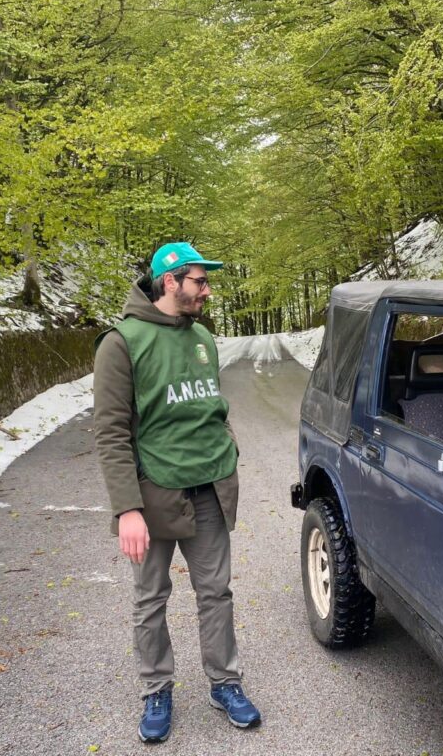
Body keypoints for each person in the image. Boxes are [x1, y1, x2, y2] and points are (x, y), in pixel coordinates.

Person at [93, 242, 261, 743]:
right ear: (170, 282)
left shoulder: (203, 336)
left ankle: (225, 683)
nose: (207, 291)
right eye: (199, 282)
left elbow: (210, 404)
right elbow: (110, 431)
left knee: (216, 592)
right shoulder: (121, 343)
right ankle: (157, 687)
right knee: (150, 599)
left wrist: (226, 448)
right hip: (154, 493)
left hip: (209, 487)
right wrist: (127, 508)